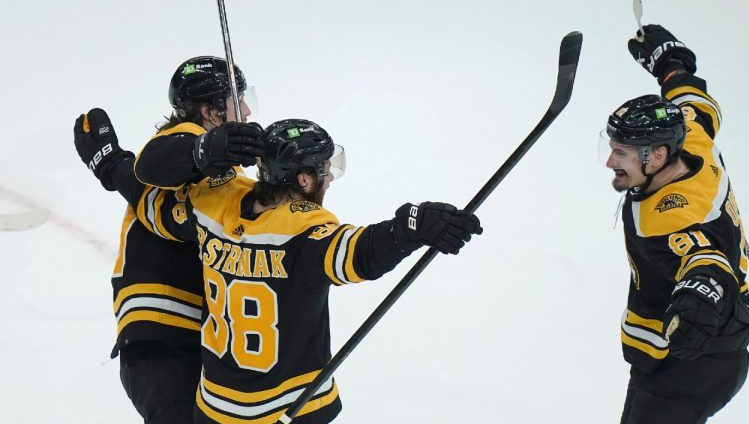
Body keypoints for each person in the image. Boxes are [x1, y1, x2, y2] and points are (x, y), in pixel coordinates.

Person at [76, 113, 482, 423]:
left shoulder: (213, 202)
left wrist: (112, 166)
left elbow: (151, 200)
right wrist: (411, 226)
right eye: (325, 171)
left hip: (216, 407)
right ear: (304, 180)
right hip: (292, 405)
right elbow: (360, 254)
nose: (330, 179)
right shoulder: (304, 229)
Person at [73, 56, 262, 423]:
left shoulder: (215, 165)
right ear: (210, 111)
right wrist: (212, 149)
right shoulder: (182, 146)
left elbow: (137, 180)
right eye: (237, 98)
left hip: (194, 337)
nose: (248, 108)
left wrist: (112, 165)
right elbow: (154, 164)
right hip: (162, 335)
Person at [603, 24, 749, 423]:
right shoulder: (691, 135)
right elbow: (694, 101)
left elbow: (704, 260)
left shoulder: (669, 217)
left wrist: (701, 293)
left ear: (655, 156)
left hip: (694, 359)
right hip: (674, 352)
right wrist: (672, 66)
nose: (610, 163)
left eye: (620, 153)